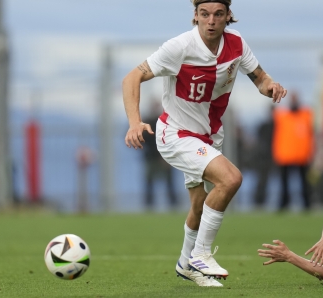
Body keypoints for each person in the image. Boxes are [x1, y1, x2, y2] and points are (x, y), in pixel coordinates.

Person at [122, 0, 287, 287]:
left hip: (210, 136)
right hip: (176, 134)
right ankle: (200, 255)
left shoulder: (236, 45)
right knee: (231, 178)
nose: (211, 21)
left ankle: (187, 265)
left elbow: (260, 79)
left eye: (218, 14)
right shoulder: (179, 47)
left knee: (200, 206)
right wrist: (135, 122)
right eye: (204, 14)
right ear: (195, 16)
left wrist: (270, 87)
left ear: (228, 16)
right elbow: (132, 77)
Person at [272, 92, 314, 211]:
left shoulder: (306, 115)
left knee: (305, 182)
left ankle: (306, 204)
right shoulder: (282, 116)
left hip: (302, 155)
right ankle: (284, 203)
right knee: (284, 183)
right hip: (285, 154)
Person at [142, 100, 177, 211]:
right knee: (149, 182)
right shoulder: (147, 122)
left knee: (169, 182)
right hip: (152, 157)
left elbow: (171, 140)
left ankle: (173, 204)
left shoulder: (166, 123)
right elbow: (144, 140)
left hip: (164, 157)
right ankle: (149, 205)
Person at [252, 105, 276, 209]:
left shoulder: (276, 125)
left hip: (274, 156)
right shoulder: (265, 126)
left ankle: (263, 200)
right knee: (262, 179)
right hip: (264, 157)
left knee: (267, 179)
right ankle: (259, 200)